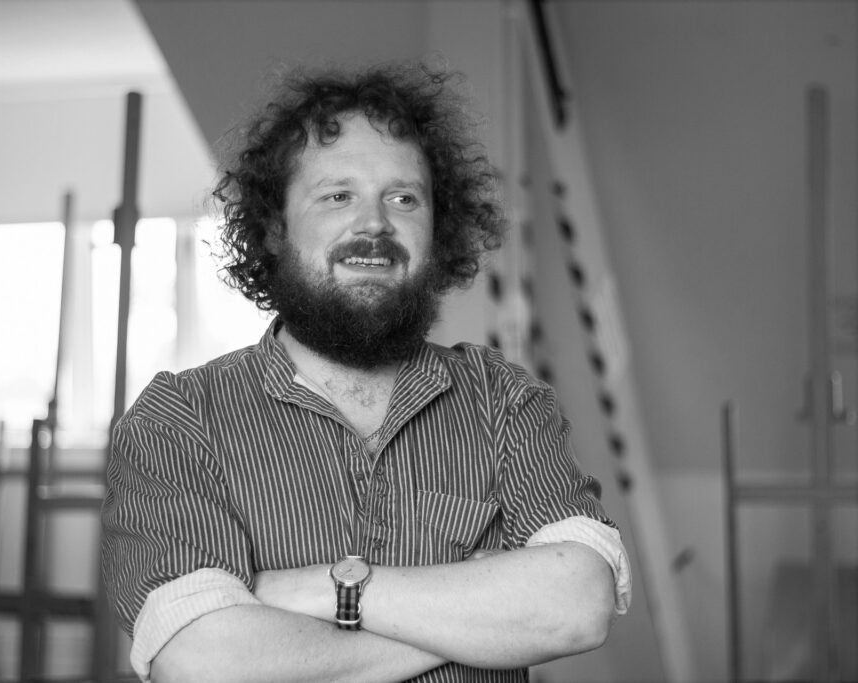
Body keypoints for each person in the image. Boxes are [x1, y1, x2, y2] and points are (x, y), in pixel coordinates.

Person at [101, 62, 631, 683]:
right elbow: (205, 664)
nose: (374, 224)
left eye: (403, 198)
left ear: (440, 227)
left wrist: (327, 591)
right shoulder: (178, 421)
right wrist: (484, 617)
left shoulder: (504, 400)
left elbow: (577, 605)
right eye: (337, 195)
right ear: (274, 229)